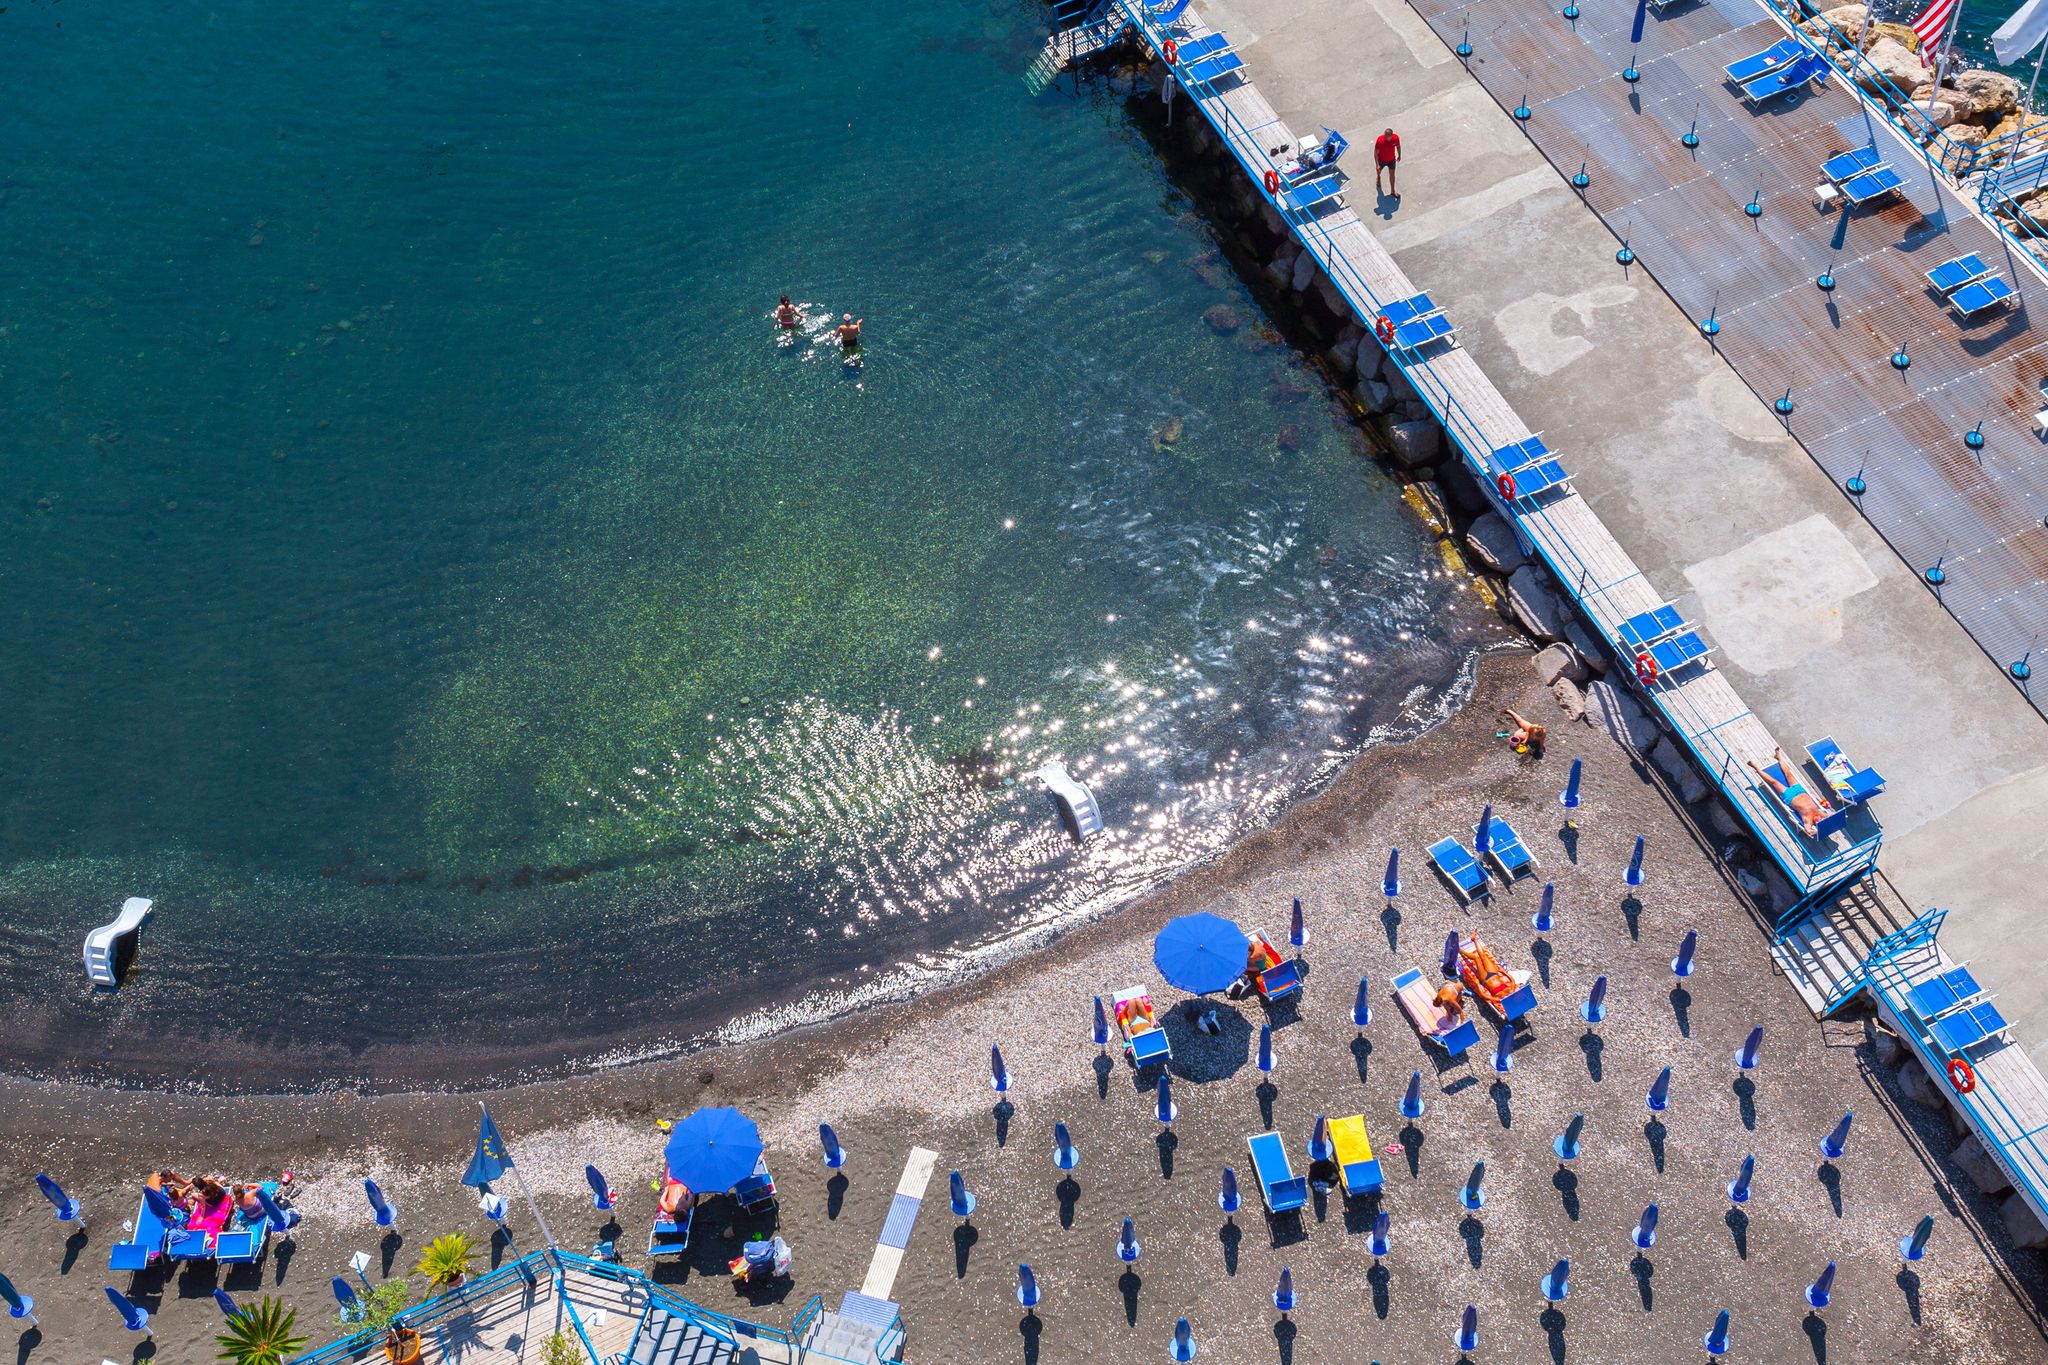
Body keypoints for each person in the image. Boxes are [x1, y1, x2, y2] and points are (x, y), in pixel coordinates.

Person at [1748, 748, 1828, 836]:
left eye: (1818, 822)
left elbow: (1808, 831)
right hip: (1800, 790)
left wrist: (1816, 831)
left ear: (1816, 825)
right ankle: (1778, 757)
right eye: (1821, 820)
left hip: (1790, 797)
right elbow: (1833, 815)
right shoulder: (1821, 814)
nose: (1819, 819)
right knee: (1788, 773)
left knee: (1774, 782)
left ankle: (1756, 768)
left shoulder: (1808, 820)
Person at [1374, 127, 1402, 197]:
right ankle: (1378, 177)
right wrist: (1377, 164)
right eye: (1385, 135)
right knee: (1378, 171)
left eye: (1387, 136)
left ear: (1391, 136)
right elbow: (1375, 153)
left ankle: (1392, 191)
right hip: (1381, 160)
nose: (1386, 137)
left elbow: (1398, 147)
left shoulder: (1396, 138)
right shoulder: (1380, 140)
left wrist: (1399, 155)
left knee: (1392, 175)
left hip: (1391, 160)